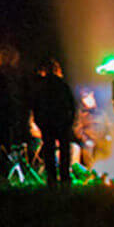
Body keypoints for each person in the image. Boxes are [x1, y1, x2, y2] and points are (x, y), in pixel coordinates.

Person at [31, 59, 78, 187]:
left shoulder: (41, 86)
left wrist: (39, 121)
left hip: (47, 122)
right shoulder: (62, 85)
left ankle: (51, 178)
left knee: (49, 151)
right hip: (62, 121)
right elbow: (72, 104)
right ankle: (65, 177)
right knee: (64, 150)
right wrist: (70, 121)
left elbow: (35, 105)